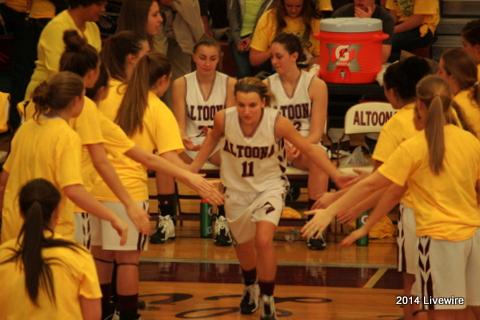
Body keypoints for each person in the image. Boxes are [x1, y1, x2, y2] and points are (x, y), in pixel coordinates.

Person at [303, 75, 480, 320]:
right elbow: (394, 189)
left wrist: (332, 210)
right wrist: (367, 225)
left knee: (420, 295)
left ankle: (410, 312)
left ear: (419, 106)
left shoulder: (412, 143)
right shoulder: (471, 141)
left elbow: (374, 184)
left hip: (436, 238)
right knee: (465, 307)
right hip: (473, 237)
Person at [191, 77, 353, 319]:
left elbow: (310, 149)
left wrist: (336, 175)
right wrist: (192, 170)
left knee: (263, 240)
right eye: (242, 104)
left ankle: (268, 297)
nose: (246, 111)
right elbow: (211, 140)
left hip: (270, 188)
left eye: (252, 105)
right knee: (243, 246)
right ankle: (250, 286)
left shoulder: (277, 122)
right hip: (236, 190)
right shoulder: (224, 118)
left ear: (263, 103)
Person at [0, 71, 127, 244]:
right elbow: (73, 189)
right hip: (51, 230)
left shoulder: (26, 128)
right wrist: (112, 217)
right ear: (76, 101)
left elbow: (4, 179)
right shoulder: (67, 136)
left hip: (14, 227)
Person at [164, 37, 236, 246]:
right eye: (202, 58)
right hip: (190, 145)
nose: (207, 63)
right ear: (194, 58)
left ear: (219, 59)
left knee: (230, 159)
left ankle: (222, 217)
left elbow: (230, 125)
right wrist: (183, 137)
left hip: (217, 144)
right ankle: (165, 218)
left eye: (212, 58)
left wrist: (215, 133)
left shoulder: (230, 83)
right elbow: (179, 123)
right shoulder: (181, 83)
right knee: (164, 159)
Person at [0, 178, 101, 319]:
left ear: (21, 213)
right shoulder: (79, 255)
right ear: (56, 214)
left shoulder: (3, 254)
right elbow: (93, 316)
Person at [265, 32, 329, 250]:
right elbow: (264, 128)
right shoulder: (266, 86)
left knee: (319, 157)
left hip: (305, 146)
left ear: (294, 56)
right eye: (272, 57)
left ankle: (314, 225)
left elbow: (317, 132)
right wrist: (284, 145)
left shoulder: (316, 85)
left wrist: (298, 145)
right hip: (275, 147)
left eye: (279, 56)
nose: (274, 62)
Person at [24, 0, 107, 99]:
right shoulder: (56, 28)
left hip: (77, 95)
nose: (103, 9)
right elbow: (57, 74)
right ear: (82, 4)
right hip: (47, 96)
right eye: (99, 4)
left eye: (104, 5)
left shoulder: (93, 28)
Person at [249, 0, 332, 71]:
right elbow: (254, 60)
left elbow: (325, 58)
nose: (293, 10)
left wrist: (308, 61)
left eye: (298, 6)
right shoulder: (269, 17)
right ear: (282, 3)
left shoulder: (314, 20)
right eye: (288, 6)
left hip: (306, 72)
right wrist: (273, 50)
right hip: (275, 73)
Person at [437, 48, 480, 139]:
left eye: (440, 71)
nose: (437, 75)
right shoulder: (473, 94)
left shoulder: (454, 107)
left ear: (452, 77)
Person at [227, 0, 273, 77]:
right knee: (244, 73)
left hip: (261, 38)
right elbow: (232, 16)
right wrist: (237, 40)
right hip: (239, 37)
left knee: (262, 74)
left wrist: (252, 38)